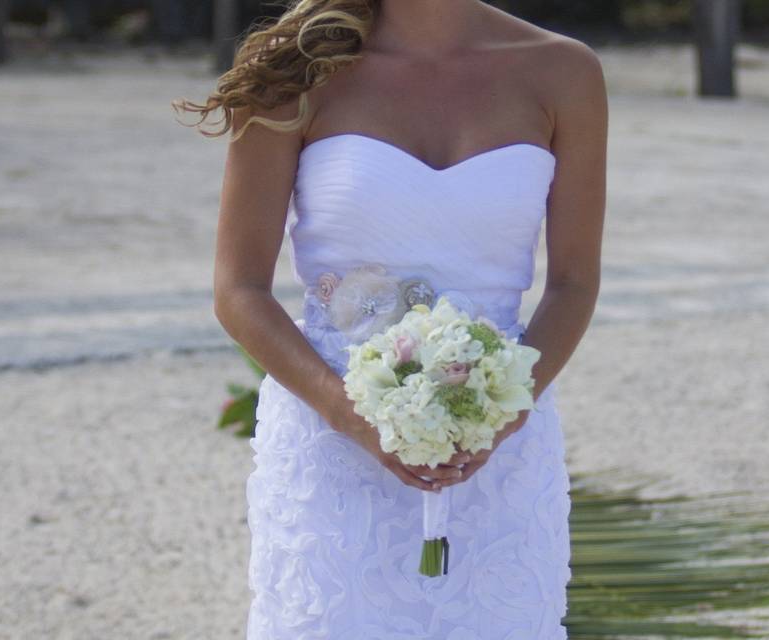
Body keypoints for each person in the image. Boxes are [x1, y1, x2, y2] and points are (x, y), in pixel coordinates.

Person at [175, 0, 606, 637]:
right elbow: (238, 289)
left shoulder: (563, 72)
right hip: (331, 443)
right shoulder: (294, 69)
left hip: (499, 448)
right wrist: (347, 411)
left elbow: (573, 283)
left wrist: (508, 409)